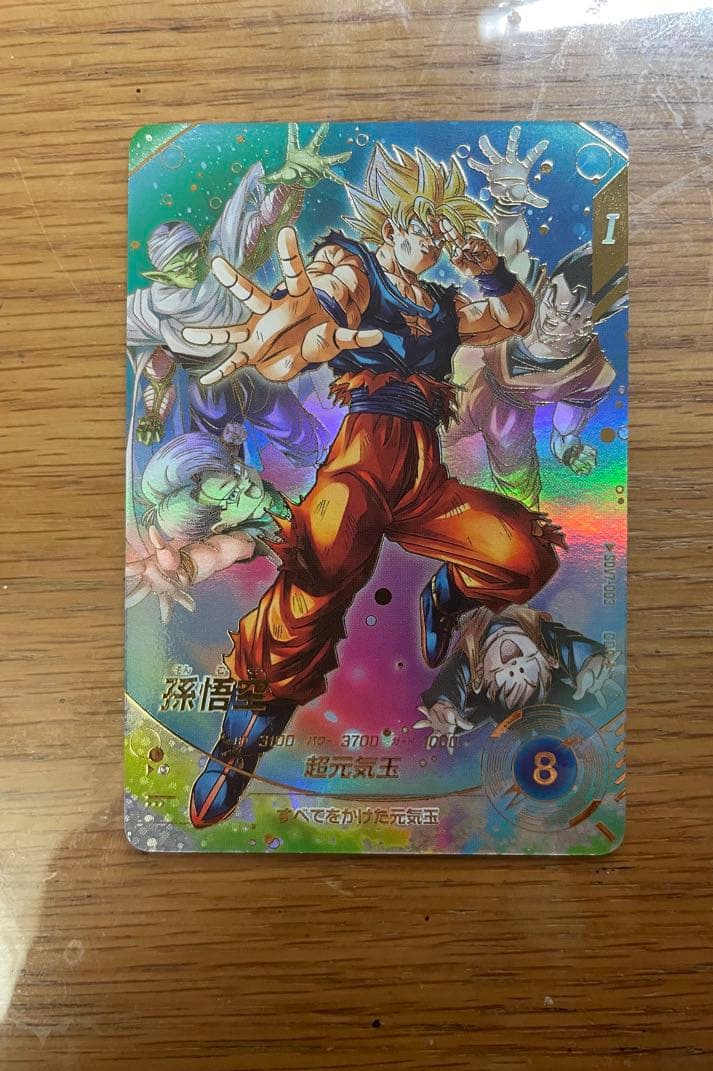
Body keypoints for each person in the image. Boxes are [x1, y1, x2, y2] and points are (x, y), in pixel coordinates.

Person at [178, 142, 567, 827]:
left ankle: (447, 594)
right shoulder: (357, 268)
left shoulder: (443, 303)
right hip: (360, 464)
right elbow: (325, 296)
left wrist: (492, 271)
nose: (432, 238)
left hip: (423, 481)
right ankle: (243, 735)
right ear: (389, 223)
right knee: (319, 564)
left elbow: (512, 319)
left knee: (524, 555)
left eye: (442, 228)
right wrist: (296, 321)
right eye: (422, 221)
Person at [126, 123, 350, 467]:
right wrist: (154, 414)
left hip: (254, 371)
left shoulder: (222, 261)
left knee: (305, 440)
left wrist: (290, 181)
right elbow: (159, 370)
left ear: (203, 248)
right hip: (208, 389)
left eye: (194, 257)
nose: (191, 269)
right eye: (179, 266)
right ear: (161, 275)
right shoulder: (152, 308)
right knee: (215, 462)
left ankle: (328, 470)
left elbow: (263, 223)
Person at [445, 126, 627, 510]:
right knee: (416, 442)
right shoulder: (529, 292)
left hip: (511, 418)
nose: (554, 317)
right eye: (554, 300)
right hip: (465, 379)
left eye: (573, 315)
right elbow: (507, 250)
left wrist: (569, 449)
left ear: (594, 321)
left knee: (520, 497)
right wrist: (508, 204)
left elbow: (565, 430)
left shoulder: (593, 373)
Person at [125, 425, 289, 623]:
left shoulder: (272, 465)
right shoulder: (252, 534)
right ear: (220, 526)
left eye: (237, 473)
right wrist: (186, 568)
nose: (249, 486)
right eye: (234, 496)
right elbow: (221, 551)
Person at [415, 605, 620, 752]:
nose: (516, 667)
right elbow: (568, 647)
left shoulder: (471, 657)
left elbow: (454, 680)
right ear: (548, 658)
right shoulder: (541, 635)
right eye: (531, 673)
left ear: (480, 678)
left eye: (507, 681)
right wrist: (592, 663)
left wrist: (444, 705)